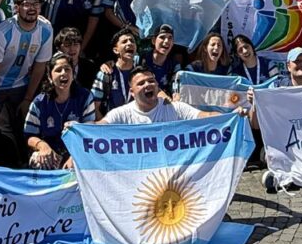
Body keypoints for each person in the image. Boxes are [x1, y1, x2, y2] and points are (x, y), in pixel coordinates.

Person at [0, 0, 53, 167]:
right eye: (27, 4)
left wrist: (28, 98)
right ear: (16, 8)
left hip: (21, 85)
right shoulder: (4, 30)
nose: (32, 9)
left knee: (24, 125)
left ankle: (26, 163)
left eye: (36, 5)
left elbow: (40, 66)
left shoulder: (45, 29)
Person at [24, 52, 94, 169]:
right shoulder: (40, 102)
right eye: (58, 70)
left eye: (67, 69)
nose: (63, 73)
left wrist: (74, 157)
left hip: (78, 149)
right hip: (51, 151)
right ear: (50, 77)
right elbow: (29, 136)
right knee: (38, 160)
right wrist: (42, 146)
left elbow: (89, 132)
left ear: (73, 74)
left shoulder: (85, 97)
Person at [100, 65, 234, 124]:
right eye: (141, 83)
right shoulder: (120, 114)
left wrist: (233, 116)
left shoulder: (176, 109)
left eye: (151, 81)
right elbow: (98, 128)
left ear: (157, 85)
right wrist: (78, 128)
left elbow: (207, 116)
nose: (148, 85)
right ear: (132, 92)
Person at [92, 27, 141, 117]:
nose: (129, 43)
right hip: (112, 126)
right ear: (116, 50)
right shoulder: (105, 74)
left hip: (136, 125)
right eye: (124, 41)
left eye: (132, 41)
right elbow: (95, 107)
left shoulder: (141, 73)